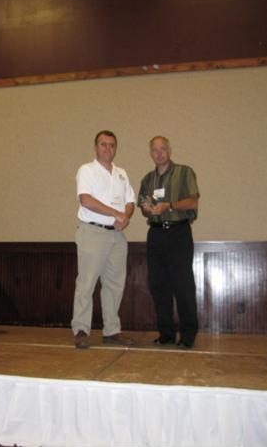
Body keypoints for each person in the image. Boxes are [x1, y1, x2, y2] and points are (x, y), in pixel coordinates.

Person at [71, 130, 135, 349]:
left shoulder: (121, 173)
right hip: (93, 232)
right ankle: (81, 329)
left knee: (114, 284)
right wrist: (114, 214)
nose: (108, 149)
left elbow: (130, 201)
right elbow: (86, 200)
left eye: (112, 145)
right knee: (86, 282)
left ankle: (111, 330)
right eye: (103, 144)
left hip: (117, 235)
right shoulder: (86, 170)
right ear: (95, 147)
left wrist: (125, 216)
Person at [138, 136, 199, 349]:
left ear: (169, 150)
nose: (159, 153)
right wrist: (148, 208)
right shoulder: (147, 179)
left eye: (162, 149)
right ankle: (166, 334)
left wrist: (169, 205)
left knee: (183, 285)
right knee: (158, 285)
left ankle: (188, 335)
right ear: (150, 153)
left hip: (178, 233)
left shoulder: (184, 172)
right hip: (155, 235)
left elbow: (193, 200)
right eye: (155, 150)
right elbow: (143, 202)